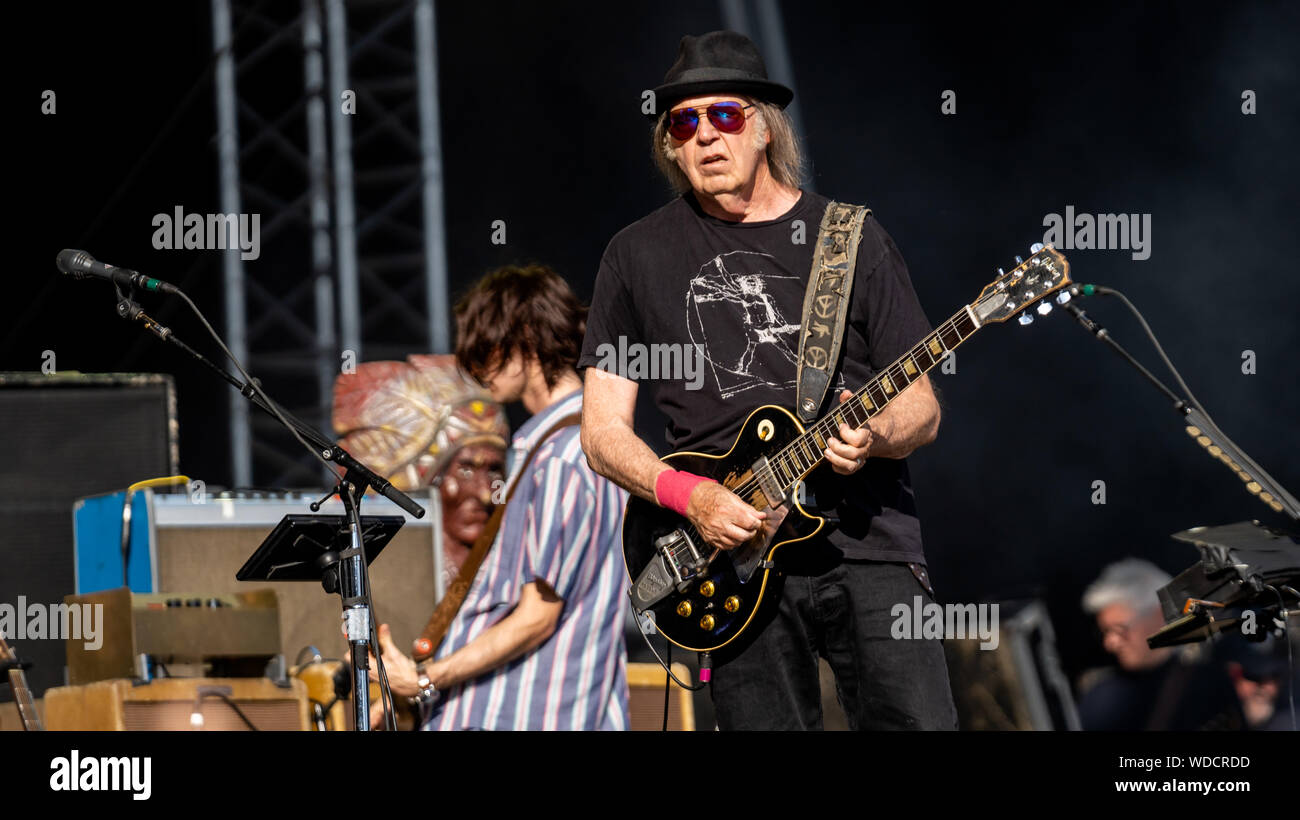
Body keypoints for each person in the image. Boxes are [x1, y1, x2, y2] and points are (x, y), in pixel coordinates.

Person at [579, 30, 957, 730]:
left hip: (866, 545)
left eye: (723, 116)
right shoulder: (633, 255)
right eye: (683, 123)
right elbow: (601, 434)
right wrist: (691, 499)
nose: (705, 138)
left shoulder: (851, 238)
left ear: (763, 127)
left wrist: (874, 436)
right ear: (668, 145)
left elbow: (923, 409)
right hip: (723, 559)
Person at [370, 265, 630, 730]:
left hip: (529, 712)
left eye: (486, 346)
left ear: (525, 336)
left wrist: (427, 679)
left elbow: (536, 617)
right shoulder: (571, 448)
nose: (477, 367)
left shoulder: (565, 457)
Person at [333, 354, 508, 587]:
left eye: (494, 471)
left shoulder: (517, 567)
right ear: (425, 479)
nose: (486, 493)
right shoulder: (387, 582)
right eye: (465, 471)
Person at [1077, 557, 1243, 730]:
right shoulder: (1099, 696)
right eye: (1105, 632)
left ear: (1158, 616)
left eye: (1120, 630)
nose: (1110, 643)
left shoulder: (1208, 686)